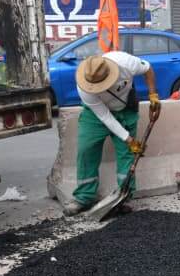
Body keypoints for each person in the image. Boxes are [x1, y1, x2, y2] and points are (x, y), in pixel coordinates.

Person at [62, 52, 160, 216]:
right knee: (86, 150)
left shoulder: (126, 63)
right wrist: (128, 138)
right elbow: (105, 117)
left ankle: (124, 196)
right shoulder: (84, 88)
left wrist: (153, 95)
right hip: (96, 116)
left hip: (125, 110)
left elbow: (148, 69)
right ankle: (84, 198)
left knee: (126, 155)